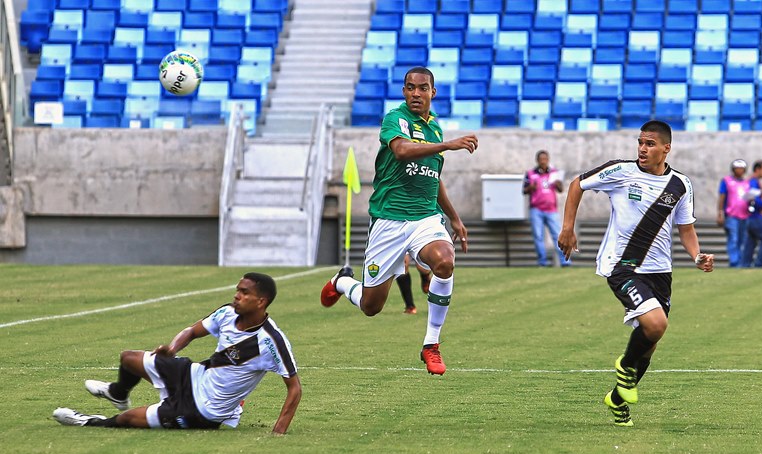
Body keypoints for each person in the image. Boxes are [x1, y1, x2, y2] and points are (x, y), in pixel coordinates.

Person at [320, 66, 478, 375]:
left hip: (425, 218)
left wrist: (454, 218)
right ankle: (342, 282)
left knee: (445, 261)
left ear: (433, 92)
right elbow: (404, 151)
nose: (416, 93)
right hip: (389, 220)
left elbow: (433, 178)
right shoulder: (395, 119)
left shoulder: (435, 128)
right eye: (410, 88)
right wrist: (447, 145)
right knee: (371, 306)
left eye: (422, 88)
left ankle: (431, 344)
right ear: (404, 91)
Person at [557, 121, 714, 427]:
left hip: (660, 272)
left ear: (666, 148)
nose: (643, 149)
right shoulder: (621, 172)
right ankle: (625, 369)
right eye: (640, 142)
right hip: (622, 266)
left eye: (650, 144)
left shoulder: (680, 185)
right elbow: (577, 184)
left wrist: (697, 256)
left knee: (651, 342)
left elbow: (686, 229)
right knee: (656, 324)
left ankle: (617, 399)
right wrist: (567, 228)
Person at [52, 272, 302, 434]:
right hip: (194, 375)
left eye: (245, 292)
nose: (237, 296)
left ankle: (86, 420)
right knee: (128, 358)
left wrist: (278, 432)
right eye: (237, 290)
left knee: (128, 419)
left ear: (261, 302)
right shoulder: (227, 313)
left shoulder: (271, 341)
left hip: (203, 409)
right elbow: (192, 331)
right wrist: (171, 349)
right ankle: (118, 393)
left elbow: (295, 388)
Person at [523, 149, 569, 267]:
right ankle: (542, 262)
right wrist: (531, 188)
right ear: (537, 160)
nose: (543, 161)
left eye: (545, 159)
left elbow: (560, 190)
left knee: (558, 236)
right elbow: (524, 190)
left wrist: (559, 184)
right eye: (541, 159)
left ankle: (565, 261)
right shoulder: (530, 173)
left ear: (548, 160)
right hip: (536, 209)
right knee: (538, 236)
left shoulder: (554, 173)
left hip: (551, 209)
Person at [717, 159, 751, 267]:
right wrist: (720, 213)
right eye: (737, 168)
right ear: (733, 169)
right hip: (731, 216)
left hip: (744, 215)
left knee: (742, 240)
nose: (739, 170)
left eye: (741, 168)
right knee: (734, 238)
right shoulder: (726, 181)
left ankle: (741, 262)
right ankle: (734, 262)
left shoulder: (747, 183)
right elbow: (722, 197)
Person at [741, 160, 762, 268]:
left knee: (751, 242)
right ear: (757, 169)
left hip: (750, 218)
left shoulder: (752, 181)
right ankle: (759, 264)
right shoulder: (753, 182)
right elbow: (751, 199)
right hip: (755, 217)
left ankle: (745, 265)